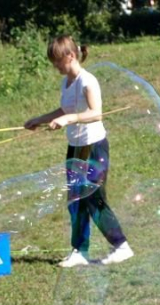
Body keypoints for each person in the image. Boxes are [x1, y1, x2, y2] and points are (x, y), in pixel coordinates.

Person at [24, 35, 133, 267]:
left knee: (93, 198)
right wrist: (39, 120)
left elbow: (96, 113)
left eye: (57, 62)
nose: (55, 67)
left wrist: (69, 118)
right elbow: (64, 109)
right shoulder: (66, 82)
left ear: (70, 56)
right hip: (75, 147)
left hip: (93, 146)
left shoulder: (88, 81)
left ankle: (121, 246)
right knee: (75, 199)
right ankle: (79, 251)